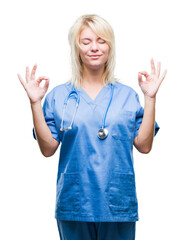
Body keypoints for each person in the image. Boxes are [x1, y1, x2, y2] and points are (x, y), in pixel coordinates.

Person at [18, 14, 167, 240]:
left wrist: (151, 98)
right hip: (75, 202)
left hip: (116, 205)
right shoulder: (59, 96)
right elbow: (47, 149)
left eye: (101, 41)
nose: (94, 48)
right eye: (86, 42)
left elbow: (144, 146)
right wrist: (35, 103)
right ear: (76, 48)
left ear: (110, 47)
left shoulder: (128, 95)